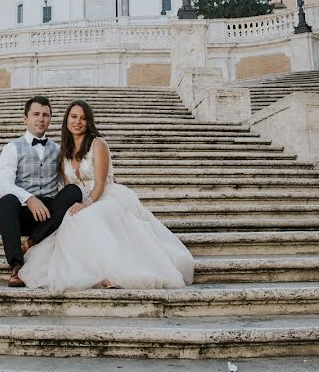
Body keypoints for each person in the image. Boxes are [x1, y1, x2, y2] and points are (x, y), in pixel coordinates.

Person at [18, 99, 194, 292]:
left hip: (102, 196)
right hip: (79, 199)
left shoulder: (97, 144)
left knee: (90, 217)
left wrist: (86, 204)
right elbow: (67, 187)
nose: (78, 122)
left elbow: (101, 183)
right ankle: (91, 270)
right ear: (66, 120)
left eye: (83, 118)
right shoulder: (64, 152)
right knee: (71, 218)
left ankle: (112, 273)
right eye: (74, 117)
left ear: (89, 121)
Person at [0, 96, 83, 288]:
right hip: (25, 212)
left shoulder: (58, 150)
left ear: (50, 119)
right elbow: (3, 184)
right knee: (6, 201)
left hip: (50, 214)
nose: (41, 119)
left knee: (73, 191)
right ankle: (16, 265)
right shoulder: (12, 148)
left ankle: (32, 242)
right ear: (25, 118)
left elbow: (65, 182)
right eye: (36, 114)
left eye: (46, 115)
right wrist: (29, 199)